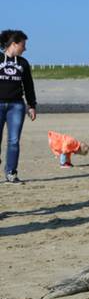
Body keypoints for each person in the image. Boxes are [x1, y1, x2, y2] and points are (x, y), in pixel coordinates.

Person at [0, 30, 37, 184]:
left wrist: (31, 105)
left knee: (14, 140)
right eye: (23, 45)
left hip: (16, 106)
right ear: (14, 44)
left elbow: (28, 85)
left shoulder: (23, 63)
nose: (25, 48)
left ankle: (11, 172)